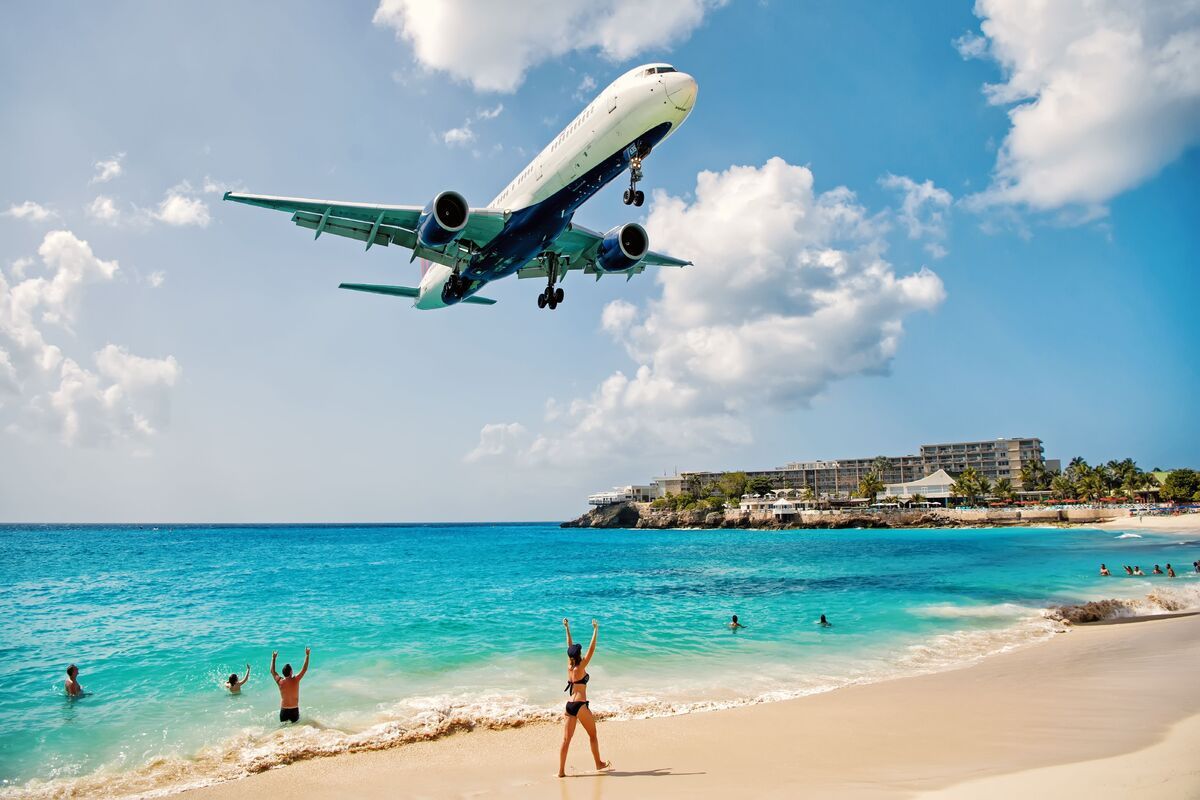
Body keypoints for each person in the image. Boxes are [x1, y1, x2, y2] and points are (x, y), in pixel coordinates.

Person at [558, 618, 611, 778]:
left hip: (569, 706)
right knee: (593, 735)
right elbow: (592, 648)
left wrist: (566, 628)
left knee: (566, 740)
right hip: (580, 705)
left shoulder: (570, 665)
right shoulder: (581, 666)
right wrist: (595, 629)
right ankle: (598, 763)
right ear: (579, 655)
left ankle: (561, 772)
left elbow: (569, 646)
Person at [271, 648, 310, 723]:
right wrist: (307, 655)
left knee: (283, 728)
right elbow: (304, 669)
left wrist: (273, 658)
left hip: (284, 710)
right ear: (291, 672)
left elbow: (272, 671)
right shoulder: (296, 679)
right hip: (294, 710)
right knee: (296, 728)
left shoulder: (280, 681)